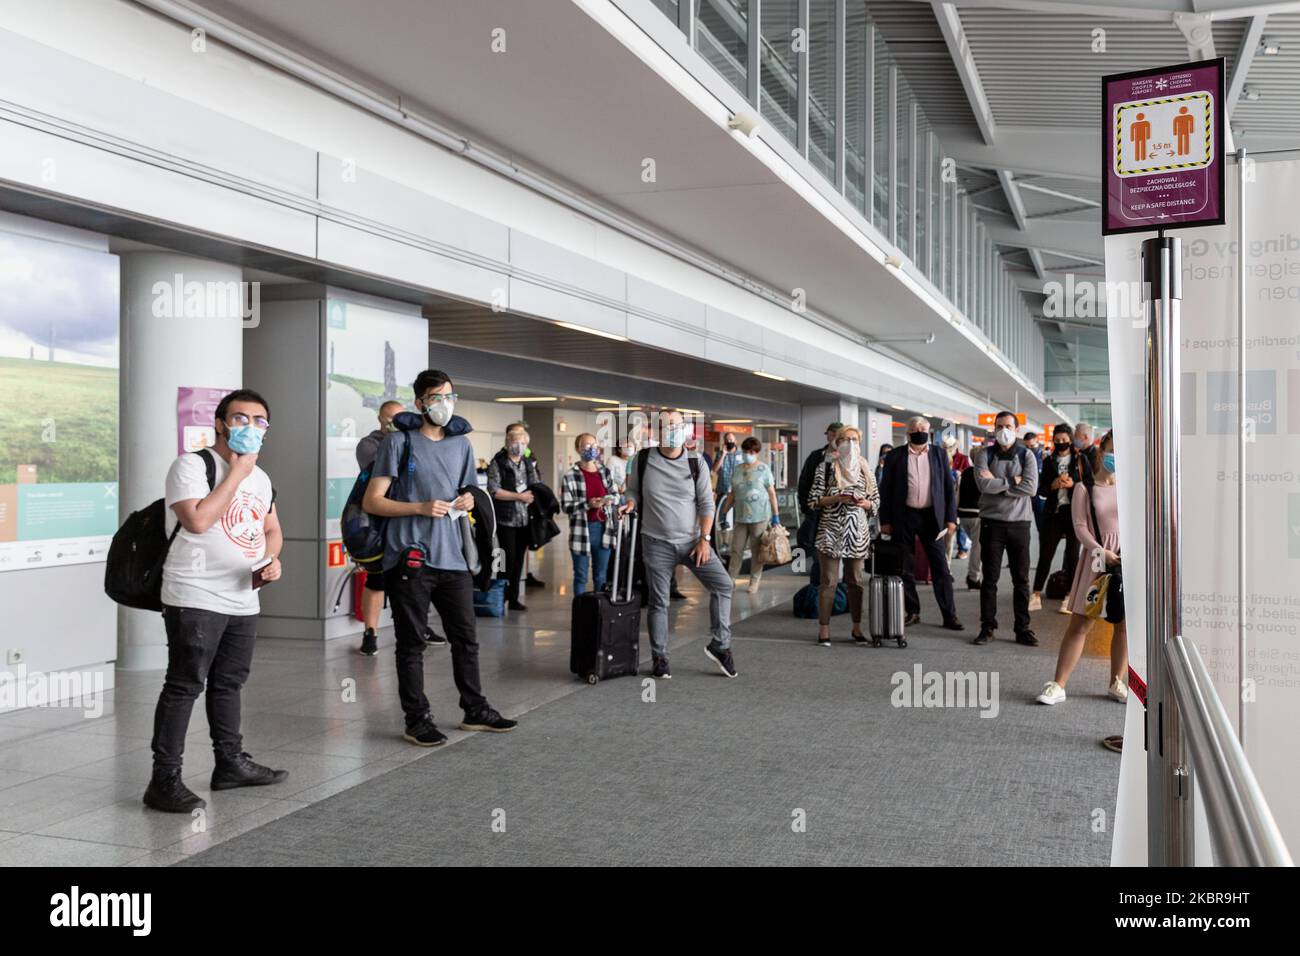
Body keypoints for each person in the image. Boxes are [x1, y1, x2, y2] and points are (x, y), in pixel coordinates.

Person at [145, 389, 288, 813]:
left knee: (229, 683)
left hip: (243, 597)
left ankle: (229, 764)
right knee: (185, 684)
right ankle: (164, 779)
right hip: (195, 594)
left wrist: (271, 559)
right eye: (240, 418)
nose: (250, 427)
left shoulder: (262, 478)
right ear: (221, 423)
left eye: (259, 420)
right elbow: (198, 519)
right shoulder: (192, 465)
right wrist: (238, 471)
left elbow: (272, 530)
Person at [363, 369, 517, 745]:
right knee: (411, 643)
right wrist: (418, 506)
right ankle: (416, 718)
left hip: (454, 559)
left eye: (449, 396)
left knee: (466, 638)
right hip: (409, 558)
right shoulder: (398, 443)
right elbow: (373, 501)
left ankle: (475, 709)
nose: (444, 404)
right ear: (420, 403)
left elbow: (466, 489)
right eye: (436, 397)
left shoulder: (461, 445)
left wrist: (467, 498)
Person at [621, 408, 736, 680]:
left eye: (675, 425)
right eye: (664, 426)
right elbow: (633, 490)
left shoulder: (696, 462)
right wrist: (630, 502)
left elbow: (707, 504)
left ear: (685, 429)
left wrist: (705, 539)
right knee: (659, 602)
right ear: (656, 432)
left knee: (723, 585)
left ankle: (721, 645)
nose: (670, 430)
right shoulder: (644, 459)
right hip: (656, 542)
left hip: (693, 542)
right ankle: (660, 657)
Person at [1038, 432, 1127, 705]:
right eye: (1113, 450)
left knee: (1123, 625)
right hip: (1097, 561)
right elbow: (1079, 527)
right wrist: (1102, 551)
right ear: (1102, 452)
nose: (1118, 457)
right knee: (1081, 623)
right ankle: (1059, 684)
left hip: (1126, 563)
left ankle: (1116, 682)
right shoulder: (1084, 488)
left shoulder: (1133, 486)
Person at [355, 400, 445, 656]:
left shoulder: (413, 441)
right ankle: (370, 633)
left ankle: (420, 626)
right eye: (390, 419)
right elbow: (388, 477)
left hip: (412, 521)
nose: (396, 423)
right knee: (378, 579)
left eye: (400, 418)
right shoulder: (370, 444)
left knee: (416, 577)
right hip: (381, 522)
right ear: (380, 419)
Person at [878, 417, 963, 631]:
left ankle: (949, 614)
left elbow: (948, 488)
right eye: (915, 429)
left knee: (941, 568)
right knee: (904, 567)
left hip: (931, 518)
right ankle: (912, 611)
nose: (919, 431)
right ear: (908, 432)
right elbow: (885, 490)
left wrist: (951, 518)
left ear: (929, 431)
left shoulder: (939, 454)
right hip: (903, 516)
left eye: (923, 428)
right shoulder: (895, 456)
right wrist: (885, 520)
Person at [972, 411, 1040, 646]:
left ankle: (1022, 628)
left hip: (1020, 524)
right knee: (989, 579)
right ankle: (987, 626)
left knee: (1021, 579)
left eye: (1008, 426)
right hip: (992, 523)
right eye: (999, 426)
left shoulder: (1026, 455)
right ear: (994, 428)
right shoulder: (985, 454)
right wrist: (1013, 482)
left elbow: (1030, 488)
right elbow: (983, 485)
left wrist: (998, 484)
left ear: (1017, 429)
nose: (1003, 430)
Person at [807, 426, 879, 646]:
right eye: (846, 439)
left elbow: (875, 501)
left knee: (855, 581)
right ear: (837, 442)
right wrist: (836, 498)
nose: (850, 442)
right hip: (830, 531)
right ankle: (824, 629)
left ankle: (857, 627)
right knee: (828, 581)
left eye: (854, 439)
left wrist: (864, 503)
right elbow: (813, 500)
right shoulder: (826, 468)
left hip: (857, 533)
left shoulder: (865, 468)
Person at [486, 422, 542, 611]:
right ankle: (500, 596)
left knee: (519, 560)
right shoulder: (498, 462)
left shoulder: (527, 463)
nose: (520, 446)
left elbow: (536, 485)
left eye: (523, 443)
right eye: (516, 442)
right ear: (508, 442)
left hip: (524, 519)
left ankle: (514, 597)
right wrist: (519, 496)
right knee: (506, 559)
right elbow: (494, 490)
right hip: (505, 519)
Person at [1030, 423, 1084, 615]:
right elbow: (1041, 489)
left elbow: (1090, 484)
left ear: (1071, 440)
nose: (1061, 443)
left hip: (1074, 513)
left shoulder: (1079, 459)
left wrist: (1073, 484)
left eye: (1064, 440)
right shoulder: (1048, 461)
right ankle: (1035, 594)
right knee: (1046, 553)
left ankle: (1069, 596)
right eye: (1057, 440)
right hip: (1054, 512)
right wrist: (1052, 485)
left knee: (1072, 556)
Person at [722, 436, 781, 595]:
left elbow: (772, 494)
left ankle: (754, 581)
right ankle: (730, 580)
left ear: (757, 452)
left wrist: (776, 516)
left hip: (759, 517)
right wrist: (724, 512)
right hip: (740, 517)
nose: (749, 454)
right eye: (746, 451)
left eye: (752, 451)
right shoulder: (738, 469)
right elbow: (732, 494)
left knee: (757, 551)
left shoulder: (764, 469)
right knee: (736, 550)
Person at [561, 432, 619, 595]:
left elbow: (615, 495)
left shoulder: (605, 472)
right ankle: (579, 612)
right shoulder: (570, 475)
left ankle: (599, 612)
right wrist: (588, 504)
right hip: (582, 530)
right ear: (578, 449)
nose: (591, 449)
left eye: (594, 445)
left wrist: (609, 500)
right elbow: (566, 506)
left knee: (601, 575)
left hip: (604, 529)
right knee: (580, 576)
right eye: (587, 445)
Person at [956, 441, 985, 591]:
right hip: (977, 514)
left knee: (976, 545)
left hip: (963, 513)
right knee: (977, 547)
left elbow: (958, 493)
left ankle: (974, 576)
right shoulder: (984, 473)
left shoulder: (965, 472)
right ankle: (973, 577)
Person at [1024, 430, 1047, 535]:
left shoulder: (1045, 457)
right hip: (1026, 495)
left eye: (1032, 446)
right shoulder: (1022, 456)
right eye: (1027, 446)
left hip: (1039, 495)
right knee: (1023, 526)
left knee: (1042, 526)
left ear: (1037, 441)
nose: (1030, 449)